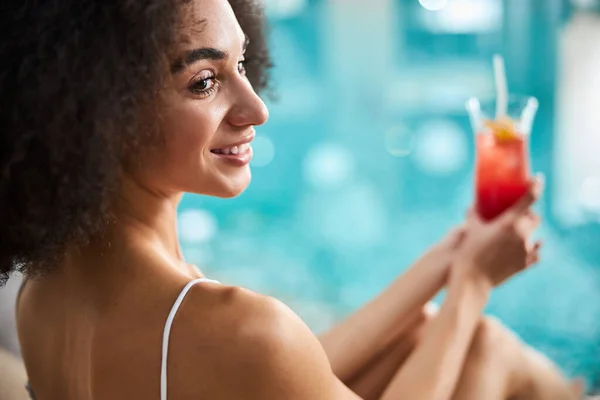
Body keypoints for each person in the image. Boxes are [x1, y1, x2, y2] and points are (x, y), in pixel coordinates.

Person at [0, 0, 584, 399]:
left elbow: (282, 372)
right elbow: (268, 358)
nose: (256, 108)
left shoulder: (42, 291)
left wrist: (452, 256)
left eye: (242, 64)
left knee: (422, 330)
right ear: (101, 112)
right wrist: (472, 287)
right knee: (484, 346)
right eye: (204, 81)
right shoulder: (226, 326)